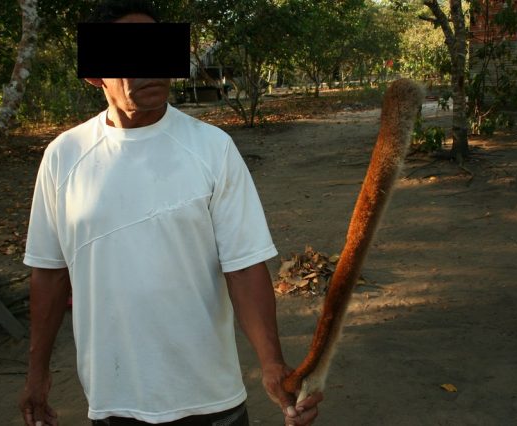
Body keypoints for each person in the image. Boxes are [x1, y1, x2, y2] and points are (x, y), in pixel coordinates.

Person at [18, 1, 322, 425]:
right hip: (113, 400)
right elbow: (49, 274)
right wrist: (37, 374)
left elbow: (244, 266)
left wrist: (272, 363)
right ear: (94, 74)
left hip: (211, 400)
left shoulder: (212, 149)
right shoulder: (63, 157)